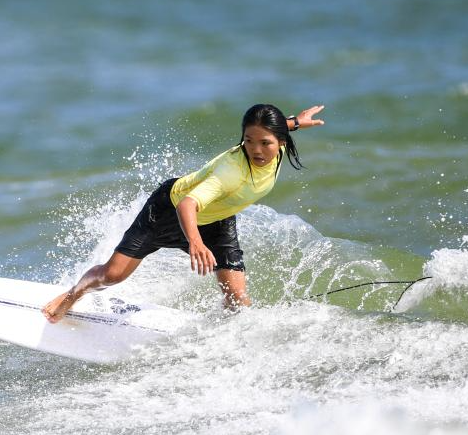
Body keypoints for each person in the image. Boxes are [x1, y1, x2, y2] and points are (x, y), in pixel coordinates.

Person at [42, 103, 325, 323]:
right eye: (249, 141)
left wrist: (297, 121)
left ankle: (231, 340)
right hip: (168, 210)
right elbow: (187, 204)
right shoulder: (232, 172)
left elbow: (276, 129)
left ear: (281, 141)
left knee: (238, 298)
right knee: (113, 274)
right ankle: (72, 295)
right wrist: (195, 242)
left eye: (265, 143)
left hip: (216, 218)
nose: (256, 149)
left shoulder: (277, 146)